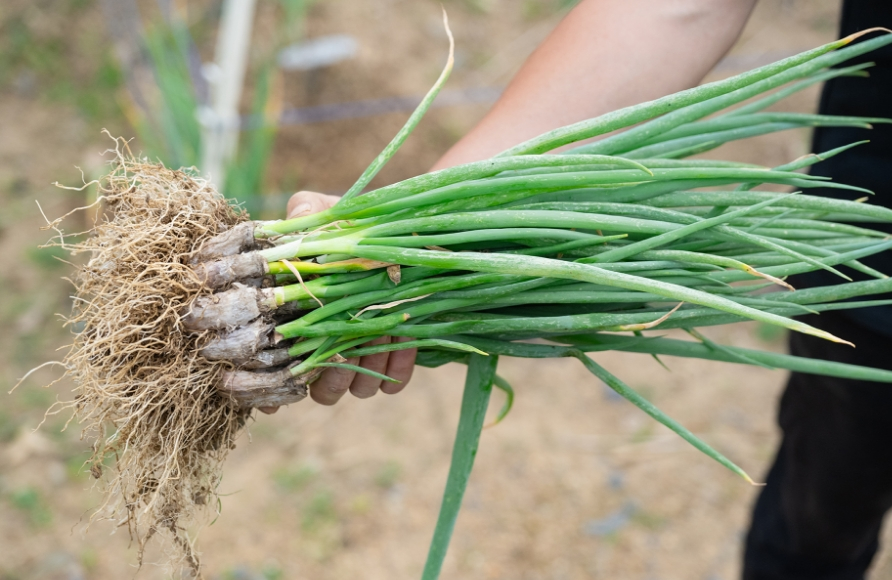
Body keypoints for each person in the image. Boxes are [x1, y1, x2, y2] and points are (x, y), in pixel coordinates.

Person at [277, 1, 892, 578]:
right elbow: (678, 9)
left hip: (837, 243)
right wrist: (418, 232)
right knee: (821, 514)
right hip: (857, 247)